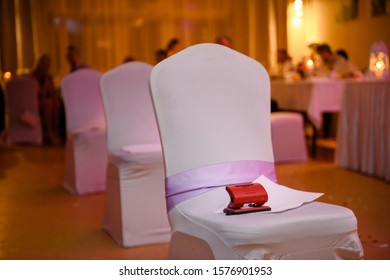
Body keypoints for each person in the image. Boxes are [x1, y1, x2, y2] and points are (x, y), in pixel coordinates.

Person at [30, 54, 62, 145]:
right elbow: (36, 93)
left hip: (47, 100)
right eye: (44, 63)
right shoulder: (34, 76)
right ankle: (49, 133)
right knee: (48, 104)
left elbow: (51, 93)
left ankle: (55, 132)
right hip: (35, 102)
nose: (46, 66)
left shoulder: (48, 77)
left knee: (56, 103)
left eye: (48, 64)